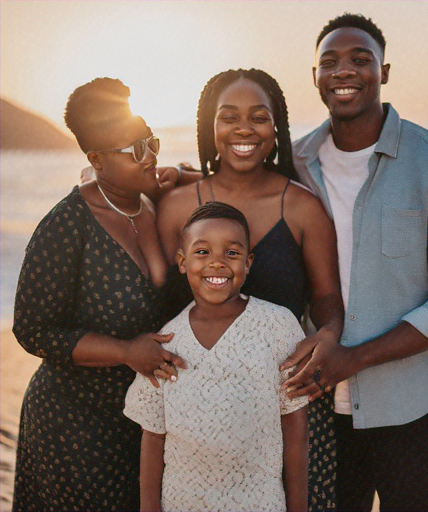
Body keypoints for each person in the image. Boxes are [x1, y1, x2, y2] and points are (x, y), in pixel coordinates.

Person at [282, 13, 428, 512]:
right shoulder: (294, 164)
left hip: (413, 406)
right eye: (329, 62)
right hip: (316, 409)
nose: (343, 71)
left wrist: (355, 359)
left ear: (384, 71)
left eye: (359, 59)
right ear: (315, 77)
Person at [156, 68, 344, 510]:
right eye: (229, 117)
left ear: (276, 128)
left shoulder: (302, 206)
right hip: (196, 412)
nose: (244, 128)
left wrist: (329, 333)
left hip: (286, 405)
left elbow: (327, 296)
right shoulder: (176, 206)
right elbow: (159, 301)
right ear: (210, 129)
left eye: (259, 117)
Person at [12, 77, 188, 512]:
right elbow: (33, 330)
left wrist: (183, 173)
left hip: (138, 419)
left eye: (152, 141)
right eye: (134, 151)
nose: (150, 157)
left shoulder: (153, 200)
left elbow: (228, 187)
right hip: (72, 423)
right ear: (96, 160)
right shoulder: (68, 224)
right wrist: (127, 351)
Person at [124, 201, 309, 512]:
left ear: (248, 263)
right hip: (182, 503)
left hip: (260, 502)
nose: (217, 262)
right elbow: (153, 435)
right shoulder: (168, 340)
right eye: (202, 252)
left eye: (232, 253)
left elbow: (296, 426)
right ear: (182, 262)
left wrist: (298, 507)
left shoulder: (277, 325)